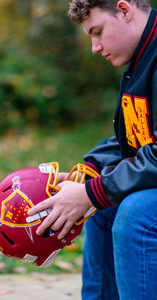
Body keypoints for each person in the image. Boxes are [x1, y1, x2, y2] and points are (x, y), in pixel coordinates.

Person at [28, 0, 157, 298]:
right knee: (102, 207)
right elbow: (131, 137)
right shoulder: (143, 58)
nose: (95, 47)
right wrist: (87, 174)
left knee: (136, 214)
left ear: (124, 10)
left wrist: (91, 192)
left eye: (97, 32)